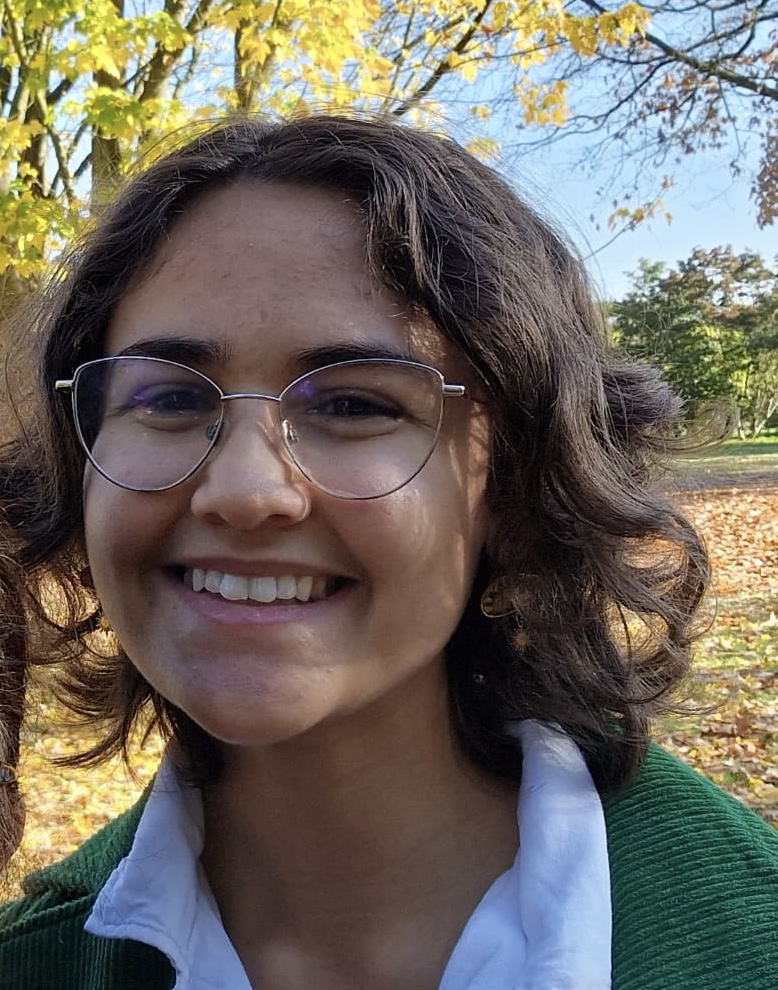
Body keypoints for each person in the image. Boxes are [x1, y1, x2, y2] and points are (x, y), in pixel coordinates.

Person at [0, 113, 776, 990]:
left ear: (518, 493)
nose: (245, 491)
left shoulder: (749, 942)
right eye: (170, 398)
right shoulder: (33, 963)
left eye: (353, 405)